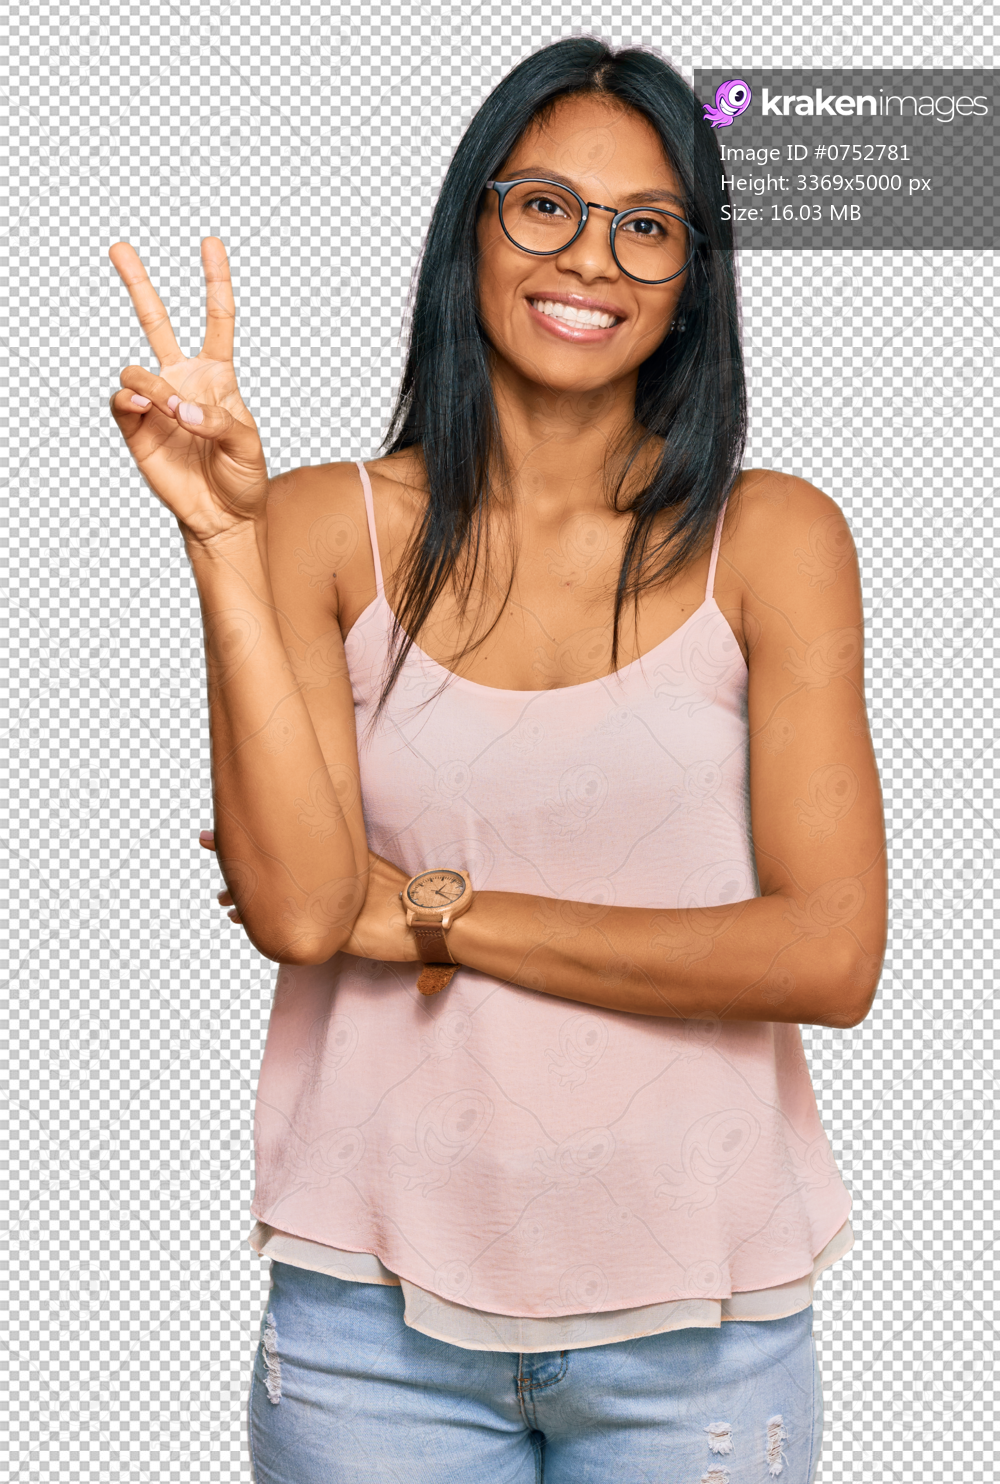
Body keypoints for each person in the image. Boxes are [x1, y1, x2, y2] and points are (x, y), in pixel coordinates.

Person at [108, 36, 887, 1484]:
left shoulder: (777, 541)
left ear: (691, 279)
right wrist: (219, 538)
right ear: (473, 220)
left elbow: (830, 956)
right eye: (544, 205)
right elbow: (295, 910)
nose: (590, 258)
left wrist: (428, 911)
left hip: (702, 1335)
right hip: (369, 1330)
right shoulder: (316, 524)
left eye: (647, 226)